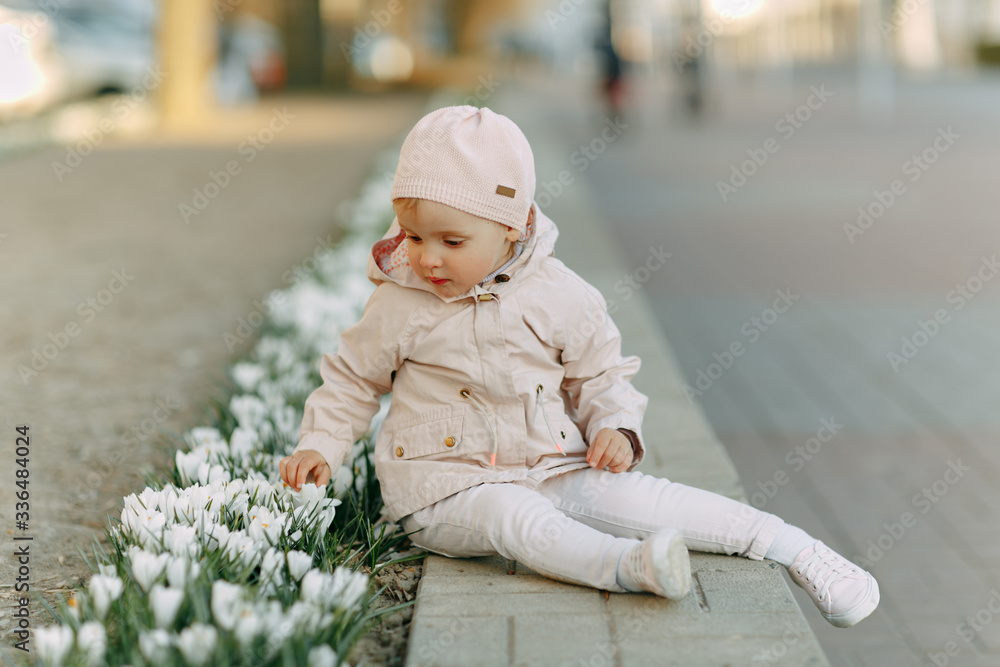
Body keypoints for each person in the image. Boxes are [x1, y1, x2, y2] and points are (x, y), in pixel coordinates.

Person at [278, 105, 879, 628]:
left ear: (510, 229)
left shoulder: (557, 293)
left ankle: (792, 546)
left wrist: (615, 426)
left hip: (550, 460)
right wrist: (321, 445)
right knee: (514, 519)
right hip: (445, 486)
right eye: (412, 236)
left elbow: (601, 373)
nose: (427, 258)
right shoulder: (402, 301)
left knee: (649, 501)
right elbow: (354, 378)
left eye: (451, 242)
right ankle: (624, 567)